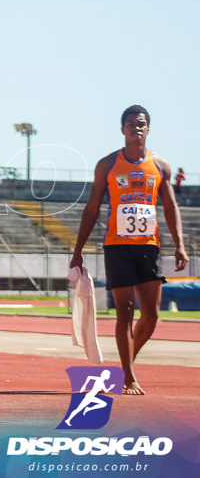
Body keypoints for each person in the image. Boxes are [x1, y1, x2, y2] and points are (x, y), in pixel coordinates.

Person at [70, 105, 188, 396]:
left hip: (149, 247)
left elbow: (170, 206)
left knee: (151, 315)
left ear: (148, 129)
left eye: (142, 123)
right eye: (131, 123)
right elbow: (92, 207)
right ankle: (129, 377)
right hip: (117, 246)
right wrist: (77, 250)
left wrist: (180, 245)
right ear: (122, 129)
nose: (136, 127)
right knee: (125, 311)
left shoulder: (160, 165)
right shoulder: (108, 164)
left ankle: (125, 364)